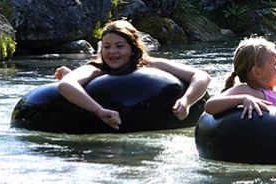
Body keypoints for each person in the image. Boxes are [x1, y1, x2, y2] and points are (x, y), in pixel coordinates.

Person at [57, 20, 211, 130]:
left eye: (119, 46)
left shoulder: (150, 64)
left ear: (132, 48)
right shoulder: (97, 68)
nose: (112, 52)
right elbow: (66, 85)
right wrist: (99, 110)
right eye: (107, 47)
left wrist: (186, 101)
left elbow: (201, 76)